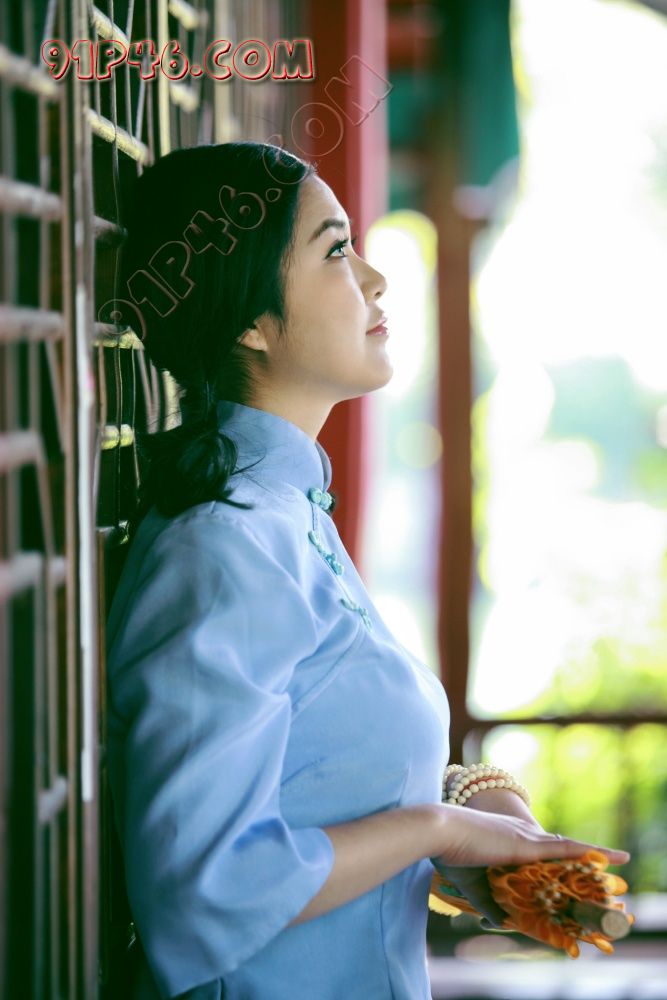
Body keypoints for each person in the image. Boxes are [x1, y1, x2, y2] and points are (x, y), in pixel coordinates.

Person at [105, 142, 630, 1000]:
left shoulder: (285, 515)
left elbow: (315, 776)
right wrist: (437, 829)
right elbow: (202, 893)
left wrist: (481, 815)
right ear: (250, 322)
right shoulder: (226, 547)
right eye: (335, 250)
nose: (376, 279)